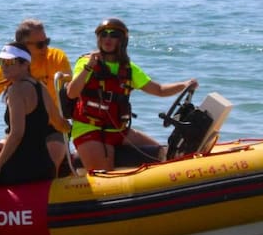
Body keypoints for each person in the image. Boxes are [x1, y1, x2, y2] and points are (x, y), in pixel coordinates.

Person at [65, 18, 198, 172]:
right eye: (104, 34)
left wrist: (184, 85)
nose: (108, 38)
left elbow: (159, 90)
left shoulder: (128, 68)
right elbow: (71, 93)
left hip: (119, 131)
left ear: (122, 40)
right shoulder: (86, 63)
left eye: (113, 35)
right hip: (89, 129)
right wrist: (88, 67)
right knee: (106, 174)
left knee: (164, 155)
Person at [0, 18, 71, 161]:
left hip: (53, 128)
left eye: (46, 42)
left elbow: (70, 95)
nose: (45, 47)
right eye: (40, 44)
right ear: (22, 46)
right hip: (19, 128)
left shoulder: (57, 57)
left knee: (51, 157)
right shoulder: (9, 67)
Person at [0, 43, 71, 189]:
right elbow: (59, 123)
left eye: (9, 62)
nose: (3, 67)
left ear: (25, 64)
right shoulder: (41, 87)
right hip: (44, 167)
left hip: (20, 169)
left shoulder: (15, 90)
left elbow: (17, 134)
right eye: (1, 62)